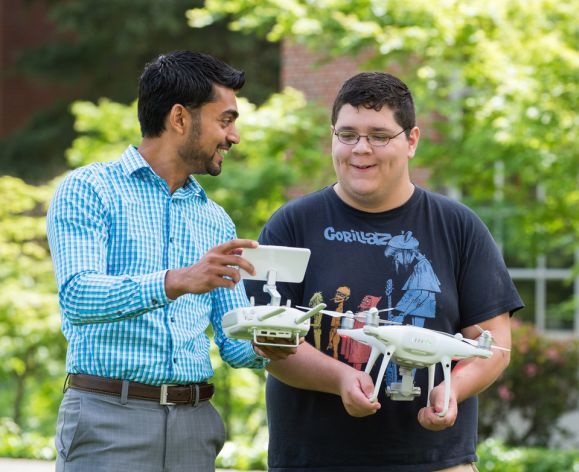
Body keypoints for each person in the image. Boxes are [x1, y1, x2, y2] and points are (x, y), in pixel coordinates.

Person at [246, 72, 523, 471]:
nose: (361, 149)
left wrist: (451, 391)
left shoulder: (459, 227)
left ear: (411, 141)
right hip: (313, 462)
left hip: (436, 462)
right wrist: (339, 379)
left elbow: (494, 344)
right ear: (332, 137)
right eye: (347, 134)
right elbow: (267, 342)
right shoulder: (292, 224)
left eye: (379, 135)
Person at [47, 50, 293, 472]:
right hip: (108, 421)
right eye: (225, 120)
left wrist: (285, 336)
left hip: (195, 428)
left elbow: (234, 345)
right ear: (179, 119)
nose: (233, 137)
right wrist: (177, 280)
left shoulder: (215, 220)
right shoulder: (89, 189)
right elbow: (78, 296)